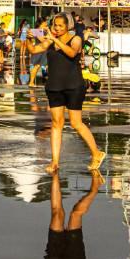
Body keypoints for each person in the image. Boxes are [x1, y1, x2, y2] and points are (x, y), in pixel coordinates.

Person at [29, 14, 104, 174]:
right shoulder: (49, 40)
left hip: (73, 86)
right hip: (54, 86)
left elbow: (71, 53)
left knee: (76, 123)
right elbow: (34, 49)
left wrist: (54, 39)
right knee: (56, 123)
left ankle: (96, 153)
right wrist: (29, 38)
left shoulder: (75, 39)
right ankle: (55, 162)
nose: (56, 28)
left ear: (67, 26)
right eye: (55, 25)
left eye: (60, 26)